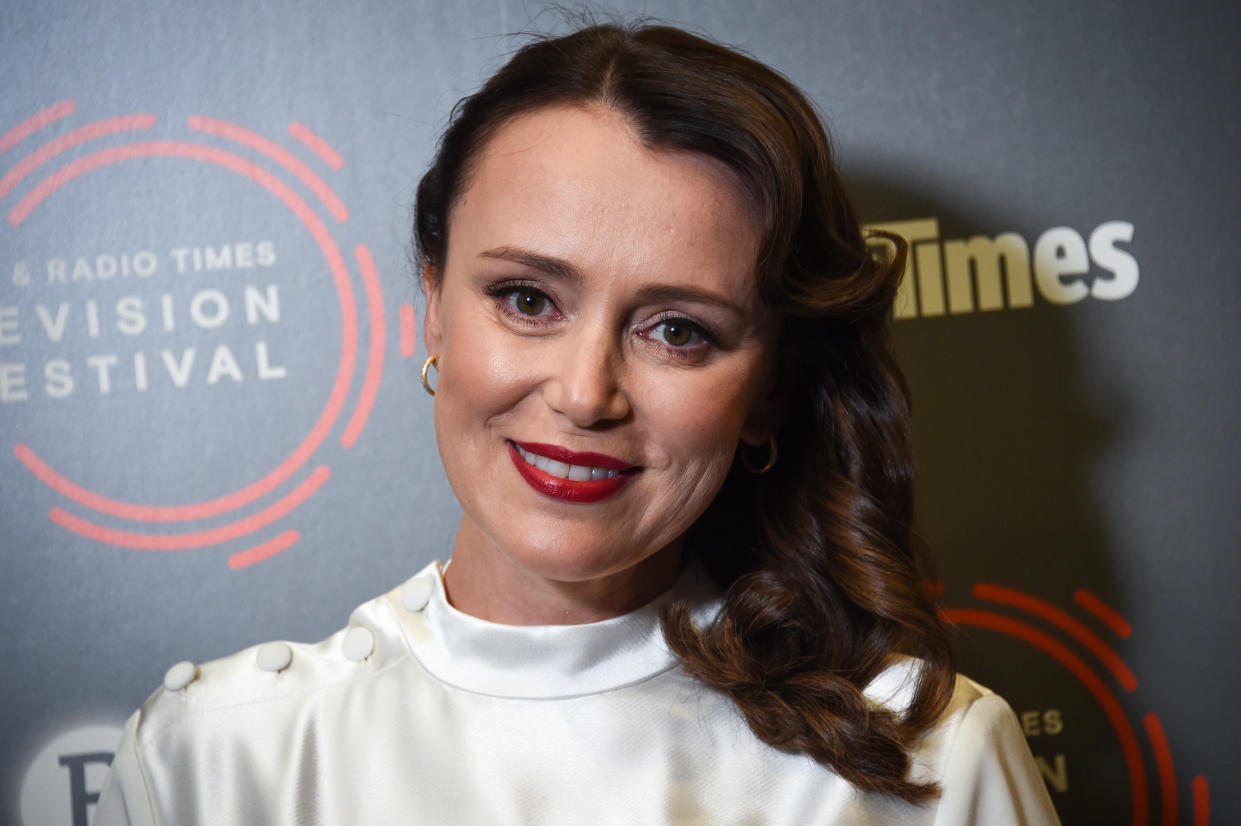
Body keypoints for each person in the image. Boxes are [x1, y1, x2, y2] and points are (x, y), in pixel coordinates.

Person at [94, 22, 1059, 826]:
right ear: (432, 302)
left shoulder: (927, 764)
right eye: (526, 299)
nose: (585, 393)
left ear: (769, 386)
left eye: (678, 330)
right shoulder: (210, 763)